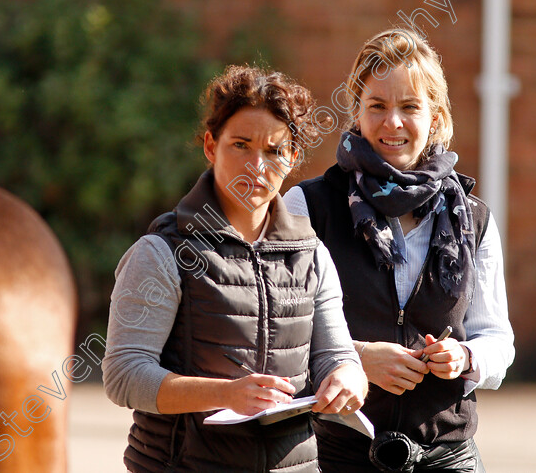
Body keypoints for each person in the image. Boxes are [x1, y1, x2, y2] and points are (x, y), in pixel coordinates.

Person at [102, 65, 368, 472]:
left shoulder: (313, 254)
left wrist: (348, 379)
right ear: (211, 146)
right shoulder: (161, 252)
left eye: (274, 150)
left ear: (293, 157)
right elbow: (124, 375)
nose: (257, 167)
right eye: (241, 145)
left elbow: (337, 356)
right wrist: (225, 394)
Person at [283, 28, 515, 472]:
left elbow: (497, 340)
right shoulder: (309, 206)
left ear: (437, 116)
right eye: (377, 106)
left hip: (446, 456)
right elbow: (279, 333)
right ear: (356, 113)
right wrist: (356, 358)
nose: (393, 122)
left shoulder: (474, 218)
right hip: (335, 454)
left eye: (410, 107)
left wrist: (465, 358)